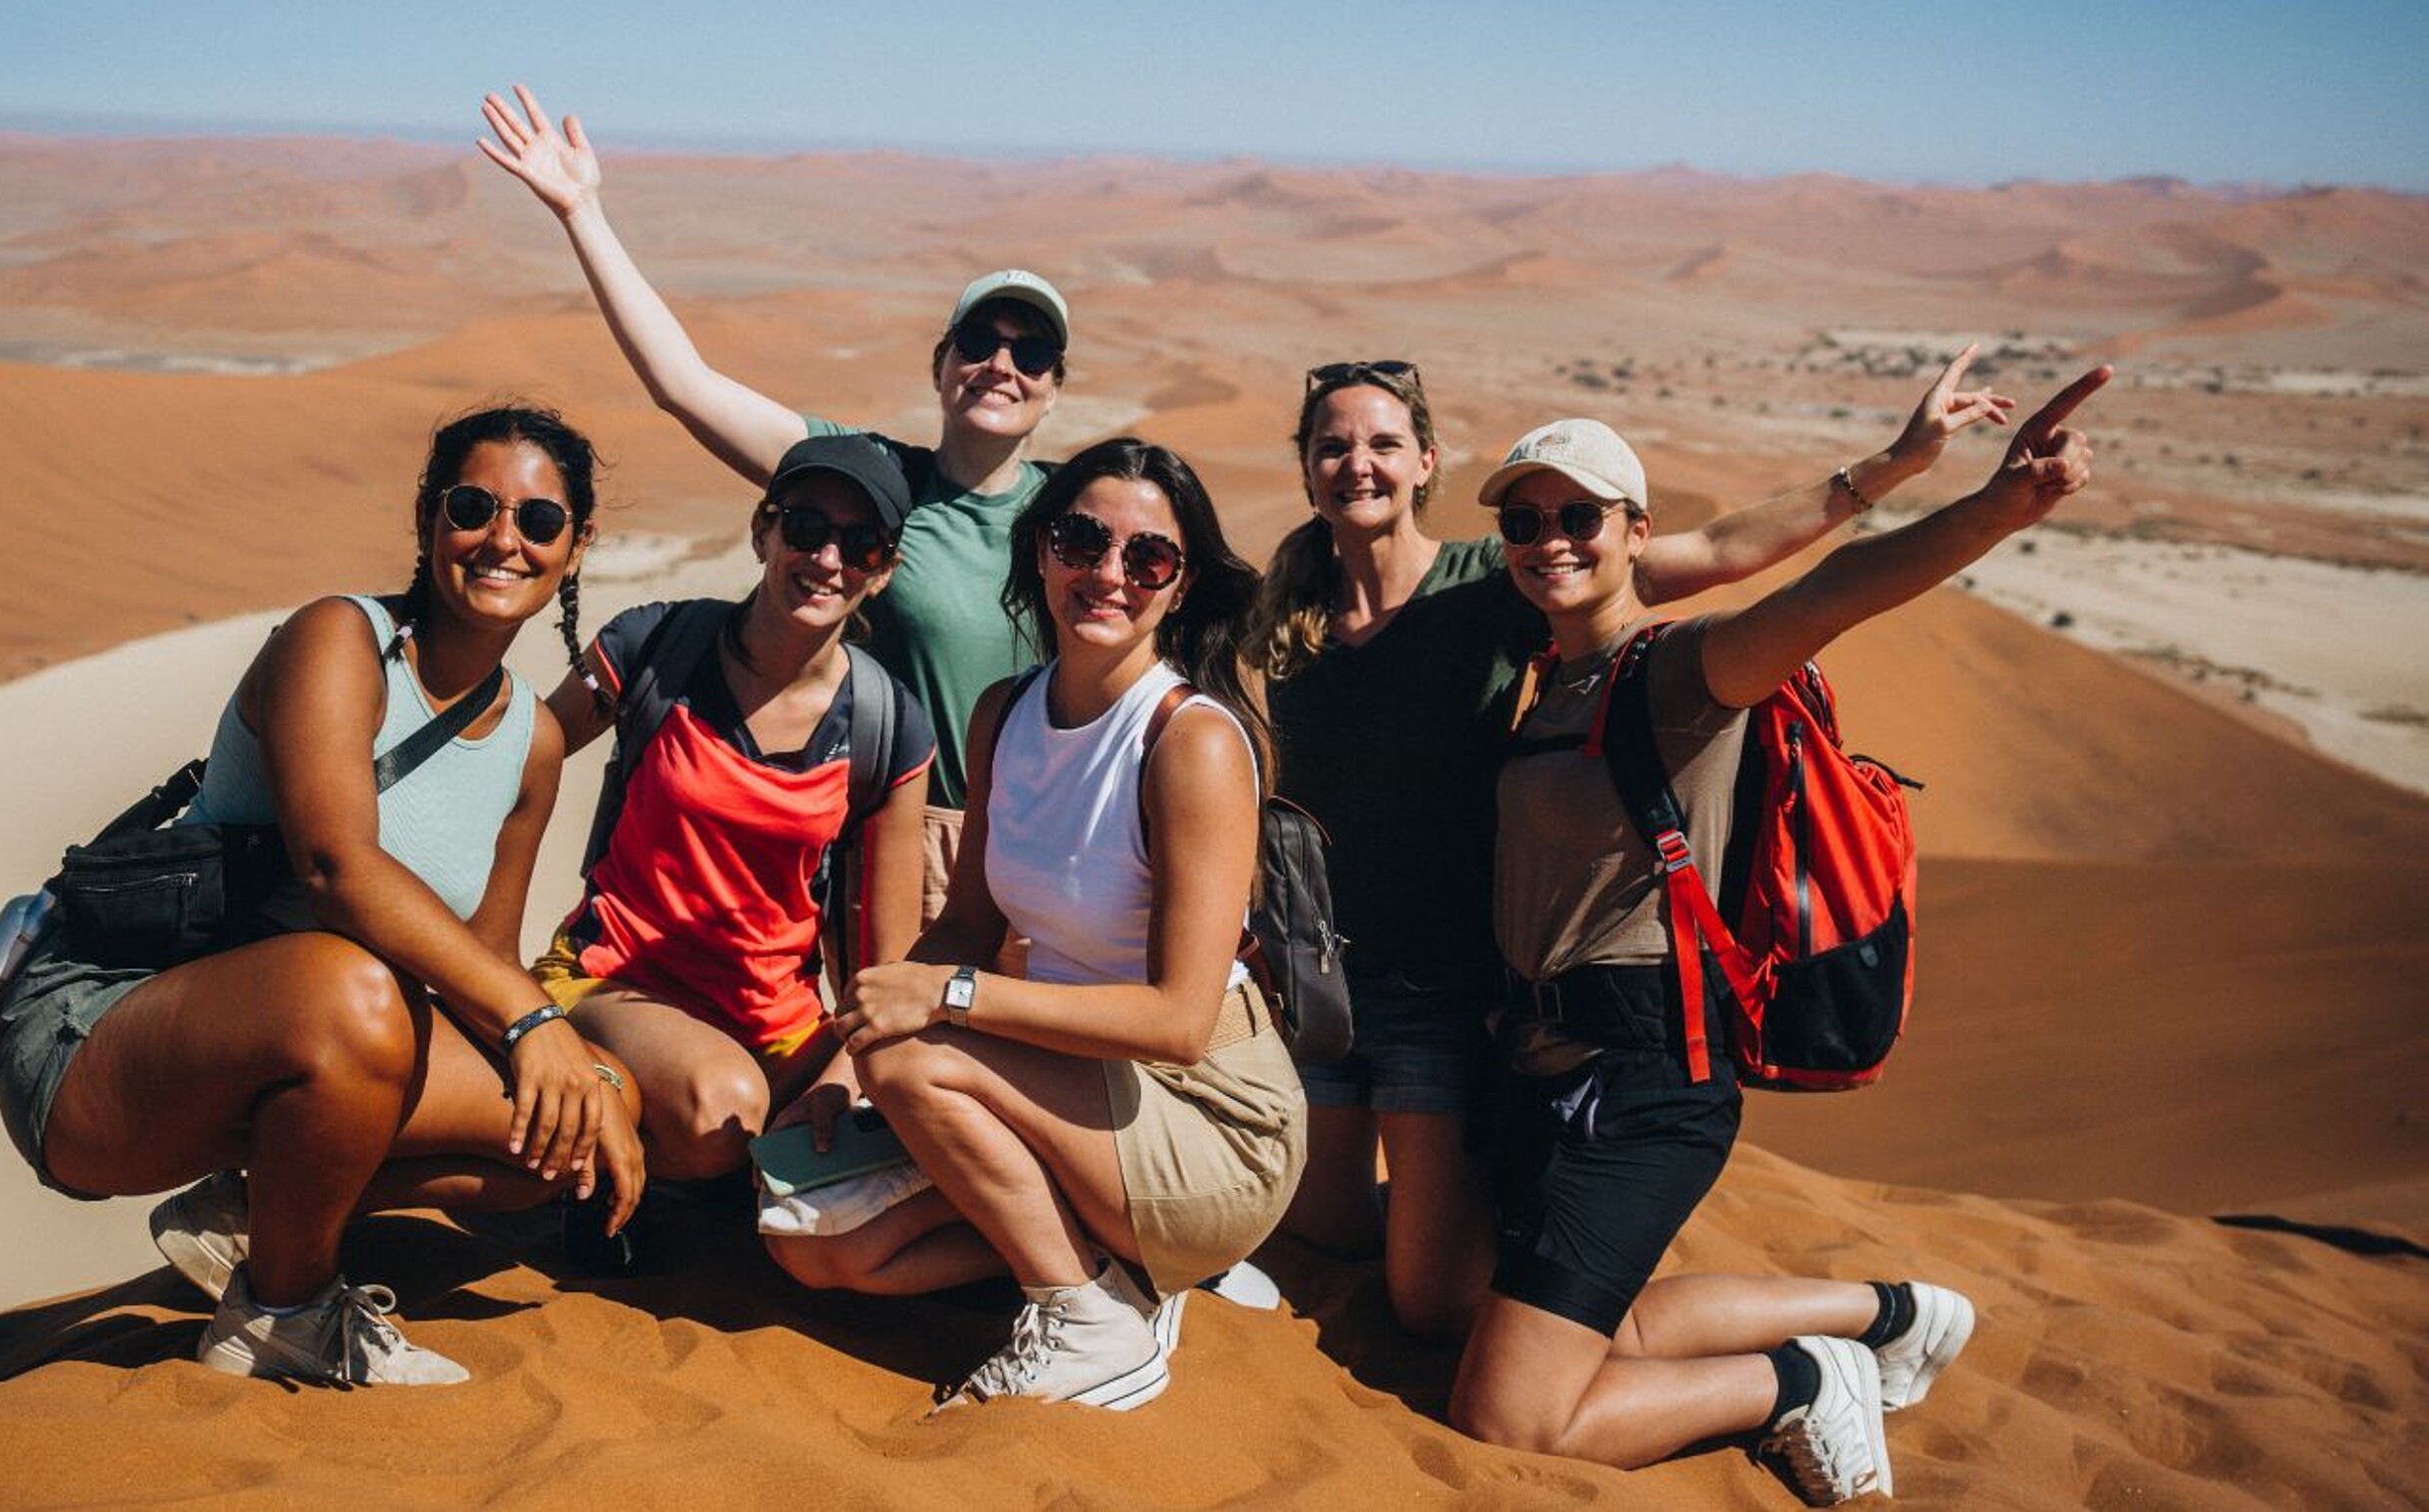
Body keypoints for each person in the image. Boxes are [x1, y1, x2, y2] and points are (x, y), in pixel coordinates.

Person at [1254, 352, 2019, 1341]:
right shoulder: (1287, 614)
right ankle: (1489, 1227)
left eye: (1384, 443)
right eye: (1334, 445)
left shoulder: (1497, 578)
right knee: (1326, 1230)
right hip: (1325, 978)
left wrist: (1896, 462)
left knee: (1429, 1302)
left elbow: (1726, 549)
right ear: (1307, 465)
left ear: (1425, 461)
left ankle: (1531, 1258)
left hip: (1445, 989)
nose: (1359, 464)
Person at [1450, 369, 2109, 1503]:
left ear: (1633, 534)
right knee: (1584, 1327)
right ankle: (1885, 1315)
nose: (1548, 539)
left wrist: (1996, 505)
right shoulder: (1543, 682)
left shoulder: (1684, 673)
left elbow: (1837, 591)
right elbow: (1729, 536)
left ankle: (1799, 1381)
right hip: (1539, 1076)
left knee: (1511, 1411)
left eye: (1578, 516)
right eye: (1524, 520)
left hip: (1647, 1081)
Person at [0, 404, 647, 1385]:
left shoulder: (535, 745)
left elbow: (485, 964)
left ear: (577, 543)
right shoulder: (341, 640)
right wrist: (531, 1016)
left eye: (539, 521)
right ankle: (283, 1313)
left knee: (586, 1111)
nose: (504, 538)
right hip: (106, 1040)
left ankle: (254, 1209)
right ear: (428, 518)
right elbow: (338, 868)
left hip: (328, 1040)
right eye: (474, 507)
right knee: (362, 992)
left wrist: (567, 1060)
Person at [777, 439, 1307, 1414]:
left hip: (1208, 1120)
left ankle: (1086, 1318)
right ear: (1040, 553)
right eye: (1081, 539)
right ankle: (1114, 1277)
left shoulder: (1189, 742)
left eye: (1147, 557)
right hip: (1070, 1091)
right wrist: (855, 1050)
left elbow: (1181, 1021)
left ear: (1180, 586)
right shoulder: (1003, 712)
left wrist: (942, 1006)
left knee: (918, 1062)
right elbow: (970, 922)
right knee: (820, 1249)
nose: (1108, 574)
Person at [480, 82, 1067, 918]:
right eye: (977, 342)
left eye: (1032, 352)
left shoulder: (1077, 522)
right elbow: (684, 386)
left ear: (1054, 391)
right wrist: (583, 213)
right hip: (913, 848)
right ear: (940, 365)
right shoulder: (869, 484)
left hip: (1051, 844)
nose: (1001, 365)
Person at [534, 434, 936, 1183]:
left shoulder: (888, 723)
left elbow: (890, 967)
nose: (826, 561)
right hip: (614, 979)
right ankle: (600, 1109)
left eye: (861, 545)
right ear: (763, 532)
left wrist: (840, 1082)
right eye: (807, 529)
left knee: (928, 1110)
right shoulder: (653, 646)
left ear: (883, 573)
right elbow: (518, 759)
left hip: (778, 1036)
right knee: (722, 1106)